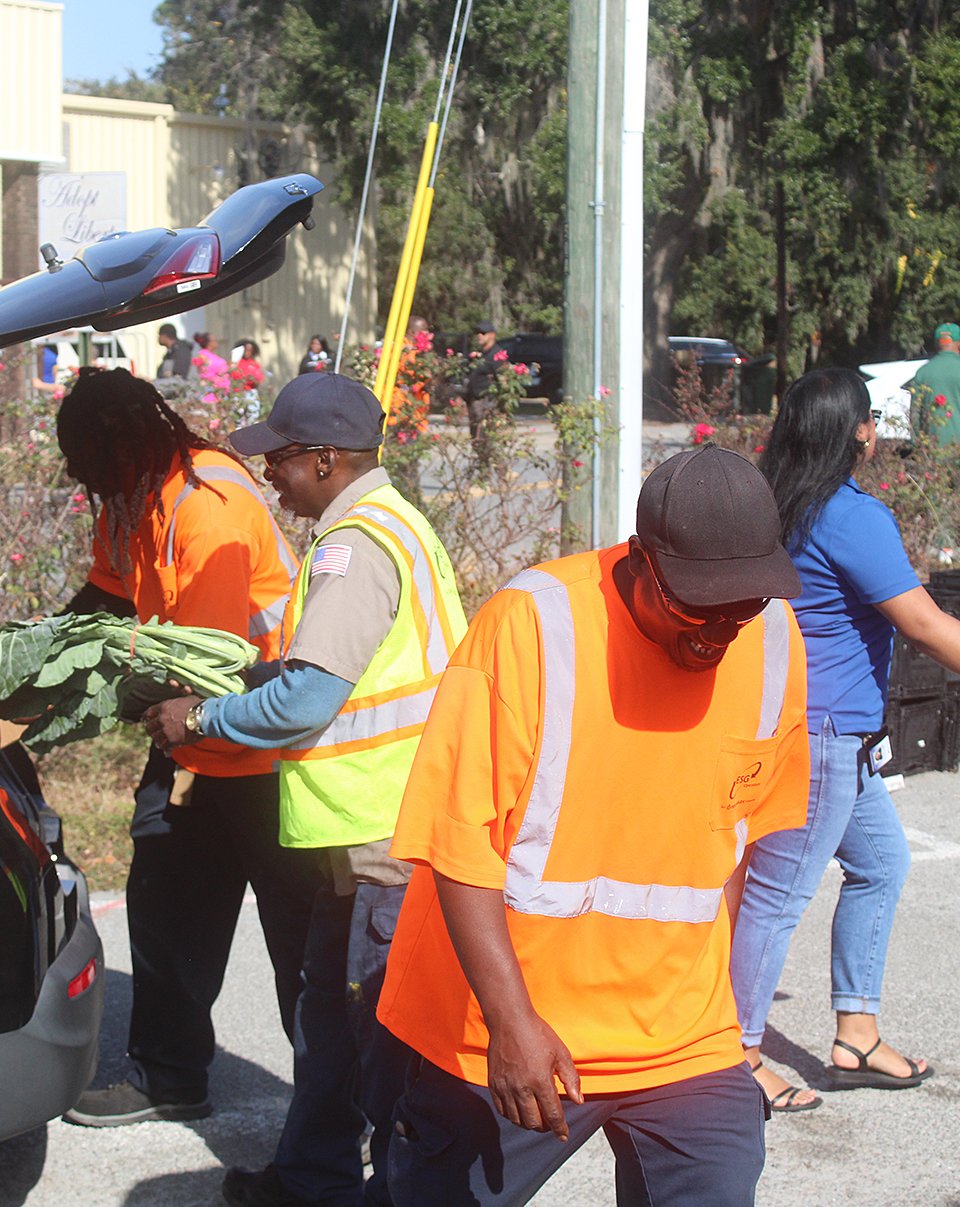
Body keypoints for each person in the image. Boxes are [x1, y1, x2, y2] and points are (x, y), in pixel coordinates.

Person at [378, 444, 813, 1207]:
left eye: (740, 606)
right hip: (510, 1028)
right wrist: (512, 1024)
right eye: (697, 604)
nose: (720, 631)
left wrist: (727, 1016)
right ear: (641, 561)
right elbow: (458, 841)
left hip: (683, 1035)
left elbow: (739, 840)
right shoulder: (534, 623)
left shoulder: (771, 639)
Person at [144, 372, 467, 1207]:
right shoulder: (389, 523)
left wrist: (201, 719)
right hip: (360, 841)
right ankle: (309, 1177)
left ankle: (391, 1191)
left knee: (383, 1045)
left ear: (325, 459)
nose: (269, 476)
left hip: (383, 839)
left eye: (280, 459)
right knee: (330, 1023)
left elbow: (306, 702)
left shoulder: (355, 545)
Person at [731, 367, 960, 1111]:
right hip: (825, 733)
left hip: (819, 727)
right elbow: (927, 624)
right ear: (856, 432)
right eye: (871, 420)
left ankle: (856, 1033)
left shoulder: (775, 502)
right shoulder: (850, 514)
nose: (878, 432)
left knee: (881, 862)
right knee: (777, 895)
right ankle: (735, 1058)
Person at [54, 368, 321, 1128]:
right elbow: (106, 596)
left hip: (266, 745)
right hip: (192, 741)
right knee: (166, 907)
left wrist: (99, 697)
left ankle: (337, 1108)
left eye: (83, 457)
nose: (77, 474)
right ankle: (170, 1073)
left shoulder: (208, 506)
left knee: (299, 941)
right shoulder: (131, 501)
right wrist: (36, 654)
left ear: (121, 444)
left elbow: (200, 660)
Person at [908, 322, 960, 454]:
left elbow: (915, 414)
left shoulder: (922, 373)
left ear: (937, 344)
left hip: (933, 448)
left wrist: (916, 444)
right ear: (959, 343)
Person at [461, 321, 506, 438]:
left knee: (485, 438)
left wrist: (501, 407)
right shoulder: (480, 354)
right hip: (474, 402)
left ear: (492, 335)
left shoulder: (497, 355)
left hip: (487, 403)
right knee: (475, 439)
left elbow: (503, 381)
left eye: (483, 333)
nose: (479, 335)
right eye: (478, 333)